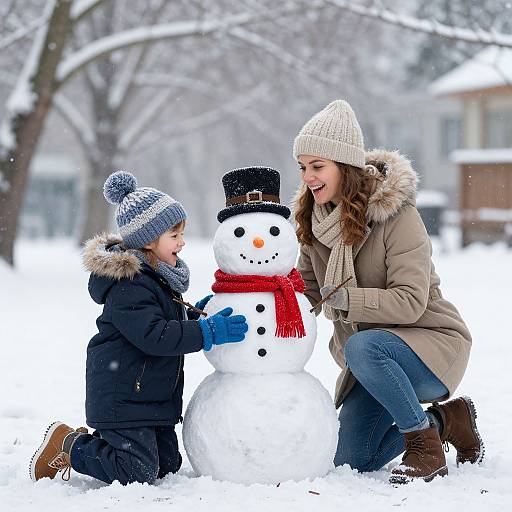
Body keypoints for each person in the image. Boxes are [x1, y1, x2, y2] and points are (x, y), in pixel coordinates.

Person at [292, 100, 484, 484]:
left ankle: (424, 449)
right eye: (302, 167)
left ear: (343, 166)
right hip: (369, 364)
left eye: (317, 166)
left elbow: (412, 301)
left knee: (365, 347)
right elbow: (308, 291)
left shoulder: (396, 216)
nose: (308, 177)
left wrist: (349, 300)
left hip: (430, 348)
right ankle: (446, 421)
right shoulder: (314, 223)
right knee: (352, 458)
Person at [29, 171, 248, 485]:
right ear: (149, 239)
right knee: (136, 471)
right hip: (123, 399)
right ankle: (69, 444)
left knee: (166, 466)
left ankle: (101, 447)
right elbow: (155, 336)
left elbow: (165, 324)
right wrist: (207, 333)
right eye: (174, 235)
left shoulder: (157, 276)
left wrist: (199, 318)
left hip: (149, 398)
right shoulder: (129, 284)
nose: (182, 243)